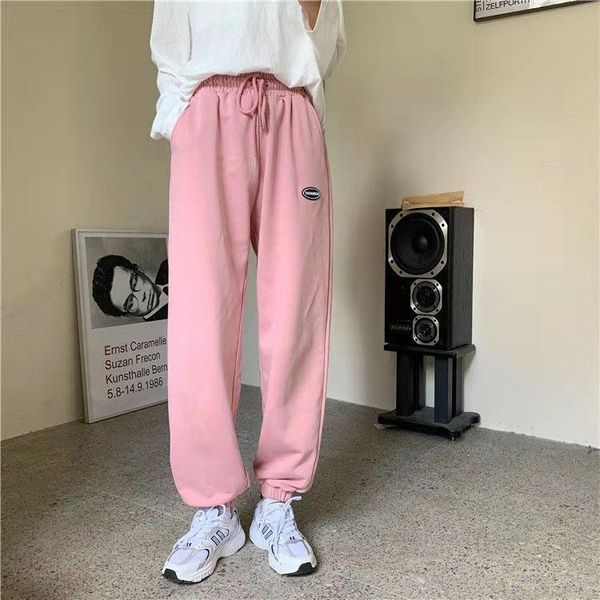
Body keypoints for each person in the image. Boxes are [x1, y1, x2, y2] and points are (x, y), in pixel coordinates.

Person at [149, 0, 347, 583]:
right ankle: (213, 506)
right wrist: (181, 116)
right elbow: (169, 30)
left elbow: (326, 43)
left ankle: (278, 499)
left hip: (292, 110)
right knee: (200, 319)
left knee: (297, 314)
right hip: (205, 108)